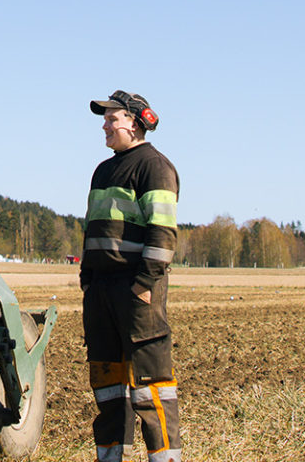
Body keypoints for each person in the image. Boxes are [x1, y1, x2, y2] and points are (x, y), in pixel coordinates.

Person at [81, 90, 182, 462]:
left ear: (138, 122)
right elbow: (92, 230)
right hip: (101, 294)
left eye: (113, 119)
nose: (105, 126)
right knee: (107, 386)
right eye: (104, 120)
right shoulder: (103, 170)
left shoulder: (154, 167)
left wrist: (143, 285)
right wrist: (88, 282)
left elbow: (163, 234)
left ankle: (164, 458)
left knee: (151, 386)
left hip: (136, 292)